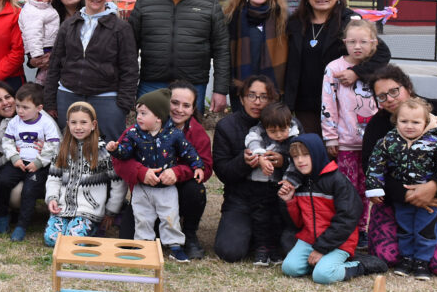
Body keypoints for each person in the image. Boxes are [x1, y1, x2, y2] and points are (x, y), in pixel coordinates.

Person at [365, 65, 437, 277]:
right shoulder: (378, 126)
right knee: (387, 258)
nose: (390, 99)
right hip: (397, 200)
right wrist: (409, 194)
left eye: (394, 91)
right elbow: (372, 168)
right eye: (382, 96)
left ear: (408, 87)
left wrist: (433, 188)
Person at [113, 81, 214, 259]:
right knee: (128, 240)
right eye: (174, 103)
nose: (179, 109)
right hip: (145, 191)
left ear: (192, 109)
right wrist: (141, 172)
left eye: (186, 105)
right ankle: (153, 236)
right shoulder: (137, 130)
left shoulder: (197, 133)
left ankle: (188, 234)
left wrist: (177, 172)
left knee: (195, 189)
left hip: (177, 191)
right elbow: (118, 160)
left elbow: (204, 166)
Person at [284, 0, 391, 134]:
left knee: (339, 150)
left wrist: (356, 72)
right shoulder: (295, 22)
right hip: (305, 103)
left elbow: (382, 53)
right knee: (312, 149)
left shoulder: (349, 21)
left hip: (341, 99)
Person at [128, 0, 230, 114]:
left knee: (188, 137)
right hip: (151, 82)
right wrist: (128, 87)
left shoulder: (209, 0)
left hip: (192, 85)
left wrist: (220, 90)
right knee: (146, 136)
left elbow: (222, 48)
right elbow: (130, 46)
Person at [42, 0, 139, 142]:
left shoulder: (121, 28)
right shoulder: (69, 25)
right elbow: (55, 65)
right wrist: (50, 101)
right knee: (70, 148)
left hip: (107, 98)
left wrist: (124, 105)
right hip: (69, 95)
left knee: (109, 150)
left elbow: (130, 68)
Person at [277, 135, 375, 284]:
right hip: (309, 239)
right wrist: (289, 201)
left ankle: (360, 265)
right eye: (295, 157)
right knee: (290, 268)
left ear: (317, 153)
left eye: (305, 154)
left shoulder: (338, 181)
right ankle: (323, 263)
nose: (300, 160)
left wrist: (322, 248)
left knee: (323, 276)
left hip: (339, 241)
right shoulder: (299, 183)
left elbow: (347, 219)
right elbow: (297, 224)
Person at [212, 75, 282, 263]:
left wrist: (282, 161)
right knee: (229, 252)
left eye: (263, 97)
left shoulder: (285, 121)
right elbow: (222, 171)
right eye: (252, 96)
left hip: (276, 200)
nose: (257, 102)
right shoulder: (226, 126)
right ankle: (251, 234)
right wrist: (243, 162)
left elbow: (303, 160)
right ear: (242, 99)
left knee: (288, 247)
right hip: (240, 200)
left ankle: (263, 237)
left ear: (272, 99)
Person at [320, 19, 380, 237]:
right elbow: (328, 104)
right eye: (352, 41)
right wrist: (330, 137)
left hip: (373, 144)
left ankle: (363, 228)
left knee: (367, 188)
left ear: (374, 43)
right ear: (344, 42)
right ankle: (348, 227)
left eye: (363, 41)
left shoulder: (379, 69)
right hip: (345, 142)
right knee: (347, 188)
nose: (357, 46)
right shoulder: (334, 69)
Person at [45, 102, 125, 247]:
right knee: (51, 239)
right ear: (68, 124)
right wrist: (52, 198)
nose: (78, 127)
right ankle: (64, 224)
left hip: (89, 211)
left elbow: (118, 183)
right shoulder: (62, 148)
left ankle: (91, 227)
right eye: (74, 122)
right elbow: (54, 178)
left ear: (93, 124)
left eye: (83, 122)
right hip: (62, 208)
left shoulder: (103, 152)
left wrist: (111, 211)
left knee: (73, 241)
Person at [0, 83, 60, 242]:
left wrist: (39, 162)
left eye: (25, 107)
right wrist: (14, 158)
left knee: (29, 191)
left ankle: (21, 226)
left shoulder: (46, 123)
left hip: (38, 166)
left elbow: (53, 146)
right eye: (18, 106)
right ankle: (2, 215)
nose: (20, 111)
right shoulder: (15, 121)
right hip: (18, 162)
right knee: (2, 182)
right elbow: (7, 142)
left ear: (39, 108)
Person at [241, 103, 301, 266]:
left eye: (282, 130)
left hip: (282, 184)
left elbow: (296, 162)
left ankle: (274, 249)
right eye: (273, 131)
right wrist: (260, 157)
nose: (279, 135)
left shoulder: (295, 137)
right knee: (260, 216)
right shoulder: (257, 132)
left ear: (289, 124)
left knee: (278, 217)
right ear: (264, 126)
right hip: (259, 184)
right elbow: (252, 141)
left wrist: (290, 180)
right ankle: (261, 249)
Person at [223, 0, 288, 112]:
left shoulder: (283, 18)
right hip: (241, 91)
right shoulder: (231, 17)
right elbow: (223, 54)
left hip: (273, 91)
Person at [20, 0, 60, 86]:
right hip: (40, 48)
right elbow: (33, 33)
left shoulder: (45, 8)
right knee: (46, 72)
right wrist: (37, 55)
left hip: (46, 45)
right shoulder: (33, 10)